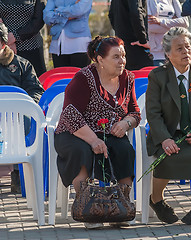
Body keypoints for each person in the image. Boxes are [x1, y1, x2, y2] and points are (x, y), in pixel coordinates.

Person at [54, 36, 141, 229]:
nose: (122, 61)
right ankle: (89, 209)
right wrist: (93, 140)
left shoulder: (128, 78)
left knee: (125, 150)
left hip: (108, 132)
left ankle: (120, 208)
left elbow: (135, 112)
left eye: (123, 56)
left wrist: (126, 123)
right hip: (75, 132)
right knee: (82, 152)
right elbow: (70, 114)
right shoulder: (84, 78)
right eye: (116, 57)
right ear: (99, 59)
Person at [146, 27, 191, 225]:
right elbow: (153, 114)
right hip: (169, 133)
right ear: (168, 54)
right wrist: (164, 138)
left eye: (188, 47)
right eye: (179, 48)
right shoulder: (157, 76)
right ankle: (156, 200)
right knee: (166, 157)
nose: (186, 52)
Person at [0, 23, 44, 193]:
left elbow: (36, 90)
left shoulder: (22, 65)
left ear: (4, 43)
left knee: (26, 119)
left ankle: (19, 174)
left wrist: (25, 106)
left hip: (15, 118)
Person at [0, 0, 47, 76]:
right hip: (5, 48)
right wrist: (7, 39)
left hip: (32, 46)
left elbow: (39, 20)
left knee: (35, 81)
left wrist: (15, 36)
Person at [43, 0, 92, 68]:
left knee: (80, 77)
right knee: (60, 77)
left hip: (79, 43)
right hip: (58, 44)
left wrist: (57, 11)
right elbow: (47, 17)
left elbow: (79, 10)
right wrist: (68, 14)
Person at [108, 0, 154, 70]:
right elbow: (135, 12)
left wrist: (120, 32)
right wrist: (143, 40)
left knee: (128, 77)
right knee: (143, 75)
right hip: (136, 44)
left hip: (122, 42)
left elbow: (111, 14)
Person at [147, 0, 189, 66]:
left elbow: (185, 22)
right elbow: (150, 27)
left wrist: (161, 22)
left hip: (176, 53)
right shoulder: (147, 1)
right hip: (157, 54)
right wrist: (174, 23)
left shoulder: (173, 1)